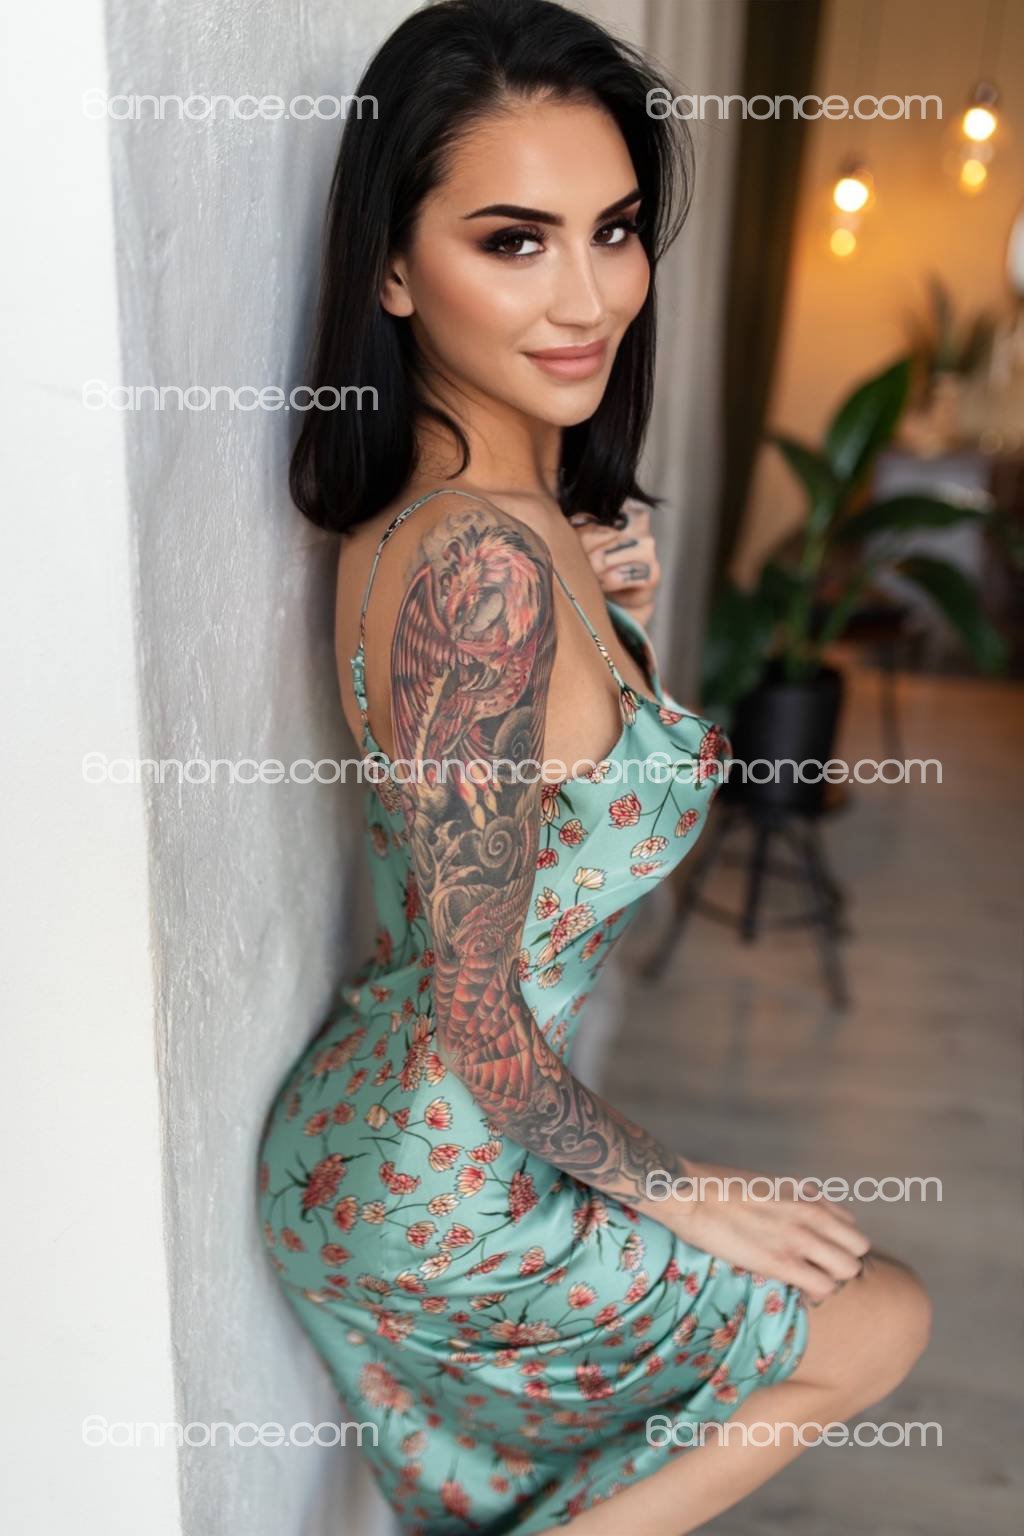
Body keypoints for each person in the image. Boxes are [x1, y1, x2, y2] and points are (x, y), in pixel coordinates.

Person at [256, 3, 931, 1531]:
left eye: (614, 230)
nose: (589, 296)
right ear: (391, 270)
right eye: (514, 241)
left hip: (410, 1139)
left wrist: (601, 594)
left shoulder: (502, 517)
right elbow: (476, 1009)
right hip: (437, 1174)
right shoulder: (479, 571)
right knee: (874, 1323)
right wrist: (690, 1190)